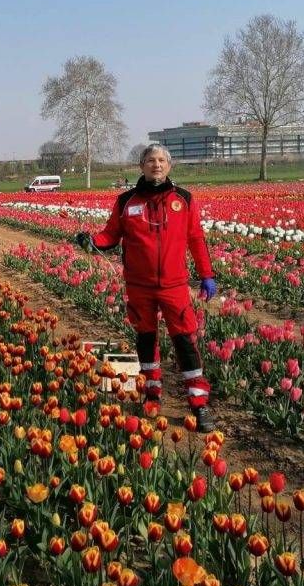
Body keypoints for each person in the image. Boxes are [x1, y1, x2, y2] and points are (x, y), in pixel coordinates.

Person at [74, 144, 218, 432]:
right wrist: (92, 241)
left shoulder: (183, 200)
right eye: (151, 160)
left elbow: (196, 238)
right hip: (139, 285)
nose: (157, 165)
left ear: (169, 166)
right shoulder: (126, 201)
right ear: (141, 166)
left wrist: (206, 274)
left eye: (162, 160)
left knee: (184, 340)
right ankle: (152, 393)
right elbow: (111, 234)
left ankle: (198, 402)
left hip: (174, 285)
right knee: (146, 339)